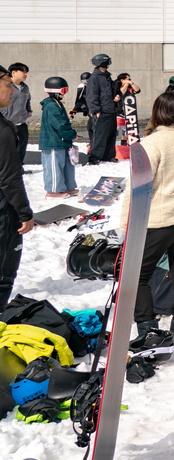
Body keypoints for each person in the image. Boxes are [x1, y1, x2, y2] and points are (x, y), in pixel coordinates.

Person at [128, 91, 174, 351]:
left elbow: (137, 189)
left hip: (158, 220)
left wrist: (126, 224)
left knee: (137, 276)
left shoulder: (151, 143)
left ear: (159, 112)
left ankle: (147, 329)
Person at [0, 65, 34, 309]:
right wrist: (24, 213)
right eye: (6, 83)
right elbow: (10, 177)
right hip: (3, 212)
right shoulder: (2, 130)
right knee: (4, 274)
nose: (12, 89)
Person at [39, 77, 78, 197]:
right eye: (64, 90)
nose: (65, 93)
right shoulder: (51, 105)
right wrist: (71, 134)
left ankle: (66, 187)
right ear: (56, 91)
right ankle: (53, 191)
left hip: (62, 140)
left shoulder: (57, 103)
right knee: (54, 166)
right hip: (53, 142)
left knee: (66, 165)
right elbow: (59, 125)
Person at [86, 53, 118, 164]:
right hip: (102, 111)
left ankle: (108, 156)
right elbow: (92, 95)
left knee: (111, 134)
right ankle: (94, 157)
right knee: (100, 135)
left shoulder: (107, 76)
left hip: (111, 109)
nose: (109, 63)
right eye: (107, 61)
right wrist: (95, 110)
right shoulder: (94, 78)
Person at [2, 63, 31, 157]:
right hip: (7, 123)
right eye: (23, 71)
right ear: (13, 72)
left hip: (21, 123)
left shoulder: (25, 87)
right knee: (7, 149)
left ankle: (20, 168)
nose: (25, 74)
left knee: (21, 147)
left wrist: (28, 111)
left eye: (26, 72)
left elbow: (28, 100)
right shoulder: (5, 86)